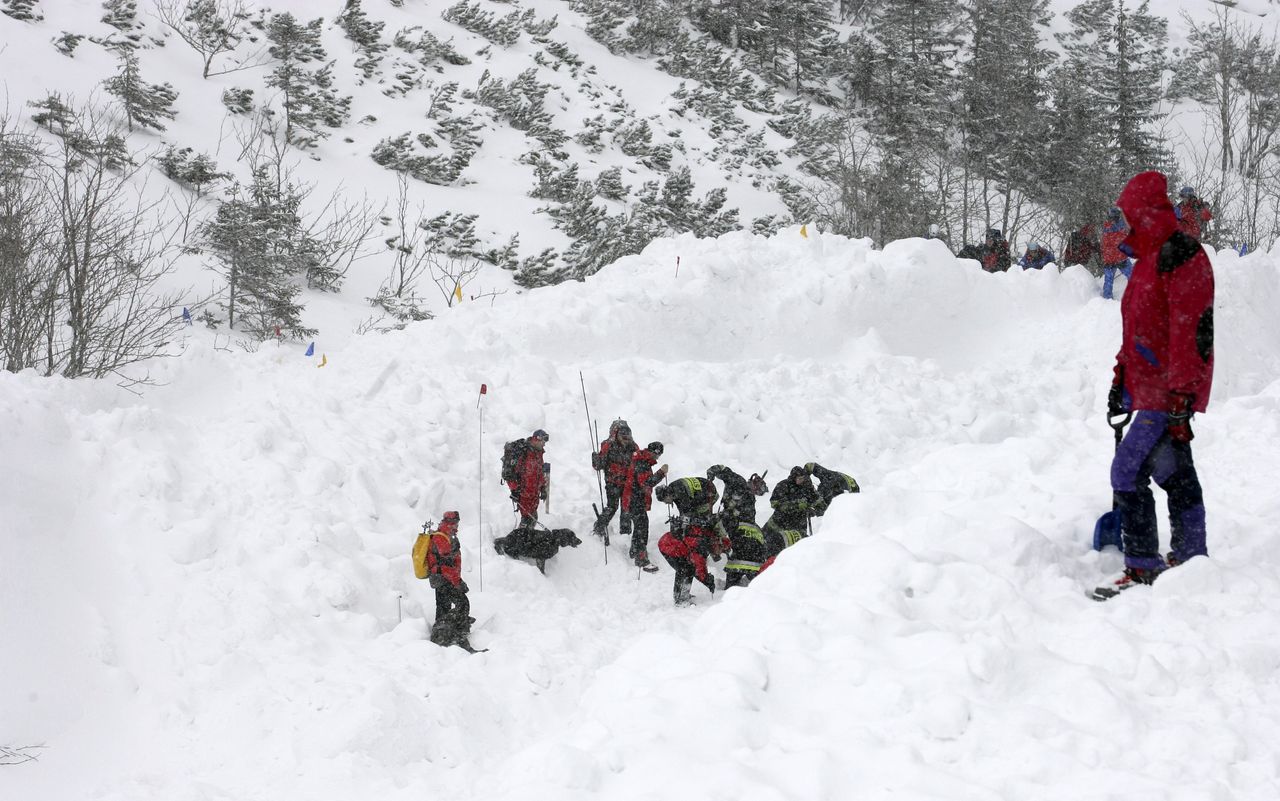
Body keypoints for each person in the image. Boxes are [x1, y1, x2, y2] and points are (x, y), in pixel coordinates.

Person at [1094, 170, 1214, 600]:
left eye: (1130, 214)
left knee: (1126, 471)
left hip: (1169, 390)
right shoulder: (1146, 261)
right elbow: (1138, 331)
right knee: (1172, 470)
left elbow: (1192, 331)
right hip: (1150, 388)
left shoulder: (1181, 255)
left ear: (1147, 212)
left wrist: (1182, 392)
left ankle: (1143, 566)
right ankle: (1191, 554)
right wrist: (1120, 378)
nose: (1126, 223)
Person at [655, 477, 726, 605]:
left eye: (665, 501)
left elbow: (687, 515)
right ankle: (681, 599)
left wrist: (688, 522)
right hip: (669, 547)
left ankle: (680, 596)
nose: (667, 504)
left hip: (709, 494)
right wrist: (707, 581)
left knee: (686, 567)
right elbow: (699, 566)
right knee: (688, 568)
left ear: (667, 494)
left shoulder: (679, 493)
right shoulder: (701, 541)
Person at [416, 511, 474, 649]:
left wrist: (457, 579)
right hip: (443, 578)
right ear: (450, 523)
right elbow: (446, 565)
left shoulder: (445, 535)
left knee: (443, 607)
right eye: (456, 524)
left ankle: (441, 638)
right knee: (462, 603)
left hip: (440, 578)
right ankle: (458, 634)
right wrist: (457, 582)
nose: (457, 526)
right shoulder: (442, 538)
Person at [705, 465, 769, 587]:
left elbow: (737, 514)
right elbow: (724, 470)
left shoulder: (744, 493)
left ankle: (733, 582)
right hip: (749, 539)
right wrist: (713, 472)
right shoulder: (738, 484)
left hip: (740, 535)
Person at [619, 441, 669, 571]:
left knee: (640, 527)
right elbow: (646, 483)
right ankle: (641, 559)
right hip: (635, 500)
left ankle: (635, 551)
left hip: (632, 499)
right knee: (642, 529)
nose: (657, 458)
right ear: (654, 453)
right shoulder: (642, 462)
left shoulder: (641, 459)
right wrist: (661, 473)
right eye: (657, 455)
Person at [761, 466, 819, 565]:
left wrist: (813, 508)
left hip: (798, 525)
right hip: (778, 524)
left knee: (794, 551)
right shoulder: (783, 485)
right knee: (766, 545)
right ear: (793, 477)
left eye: (803, 478)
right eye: (799, 479)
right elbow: (774, 503)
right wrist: (795, 505)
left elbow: (816, 500)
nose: (801, 481)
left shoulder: (806, 487)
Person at [591, 419, 637, 539]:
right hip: (613, 482)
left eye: (627, 434)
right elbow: (599, 465)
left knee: (626, 508)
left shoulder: (633, 447)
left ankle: (625, 536)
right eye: (623, 434)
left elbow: (638, 462)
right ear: (616, 433)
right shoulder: (609, 445)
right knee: (612, 506)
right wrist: (596, 459)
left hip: (628, 483)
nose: (625, 437)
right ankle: (599, 527)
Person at [507, 429, 549, 529]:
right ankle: (520, 541)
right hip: (524, 494)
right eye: (543, 441)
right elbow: (511, 474)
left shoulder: (539, 453)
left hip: (534, 493)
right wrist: (514, 490)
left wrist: (543, 488)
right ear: (536, 439)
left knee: (533, 518)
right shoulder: (524, 453)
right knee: (527, 520)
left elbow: (540, 472)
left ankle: (525, 540)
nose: (544, 444)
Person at [1100, 206, 1132, 300]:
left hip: (1109, 259)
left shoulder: (1106, 227)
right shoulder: (1120, 226)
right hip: (1120, 258)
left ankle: (1107, 298)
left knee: (1108, 280)